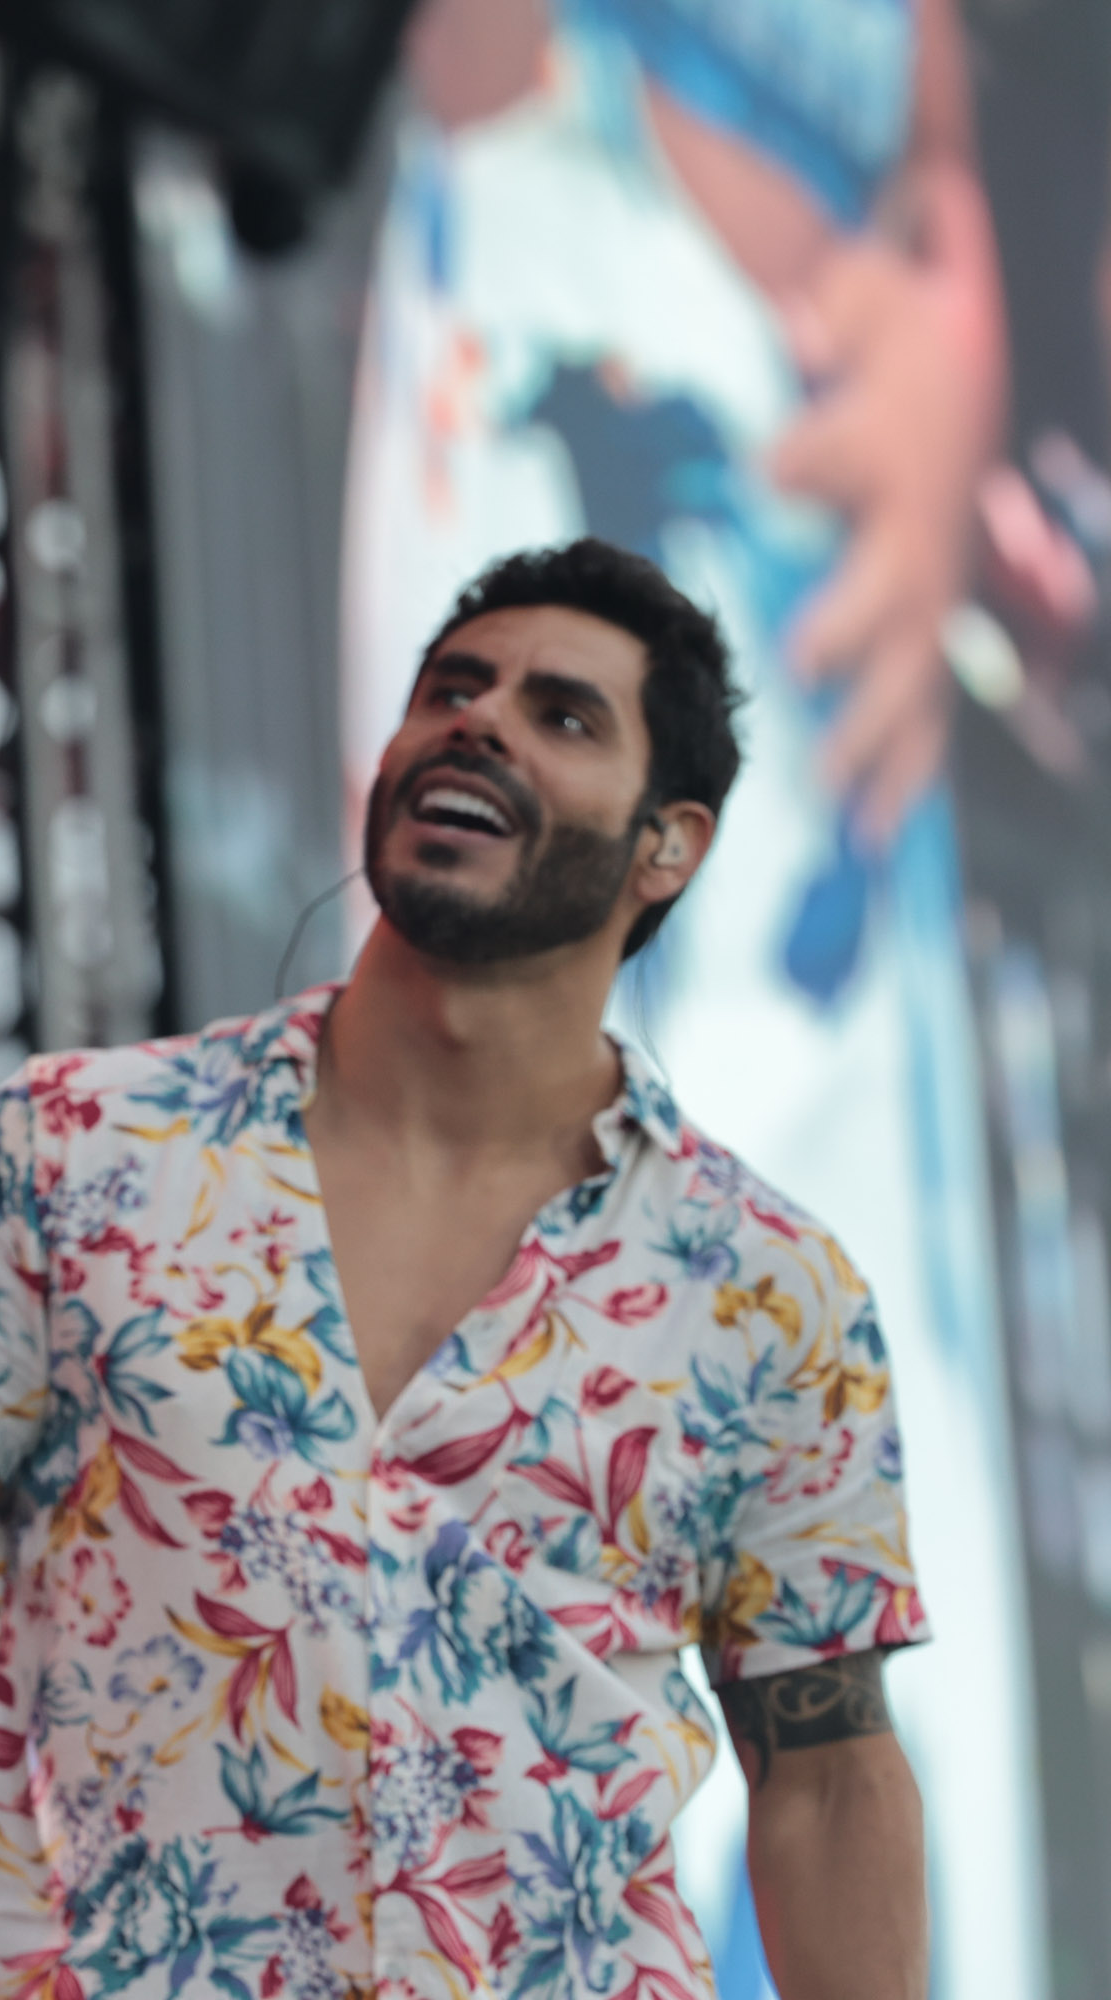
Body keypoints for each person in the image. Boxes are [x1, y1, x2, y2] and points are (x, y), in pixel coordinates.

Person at [0, 541, 929, 1998]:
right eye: (453, 686)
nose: (479, 721)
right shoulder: (76, 1151)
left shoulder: (769, 1295)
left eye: (563, 715)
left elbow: (824, 1776)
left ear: (666, 845)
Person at [341, 3, 1033, 1985]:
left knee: (869, 1539)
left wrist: (952, 303)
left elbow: (930, 117)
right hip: (573, 361)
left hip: (824, 636)